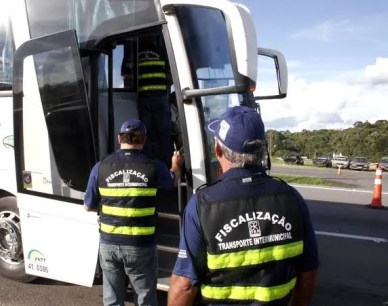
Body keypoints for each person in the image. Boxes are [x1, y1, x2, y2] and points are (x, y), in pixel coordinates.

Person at [168, 106, 319, 306]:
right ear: (262, 149)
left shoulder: (201, 204)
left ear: (218, 149)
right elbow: (308, 272)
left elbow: (184, 285)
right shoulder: (292, 198)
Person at [84, 118, 182, 306]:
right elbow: (172, 181)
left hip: (109, 244)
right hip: (140, 246)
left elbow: (88, 206)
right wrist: (175, 165)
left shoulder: (100, 167)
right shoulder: (154, 167)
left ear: (120, 139)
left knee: (112, 299)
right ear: (144, 141)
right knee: (145, 297)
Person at [122, 36, 173, 167]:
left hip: (143, 99)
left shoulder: (133, 53)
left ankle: (147, 166)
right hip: (161, 98)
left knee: (145, 135)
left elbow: (126, 77)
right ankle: (166, 167)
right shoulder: (162, 51)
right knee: (164, 136)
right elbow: (170, 74)